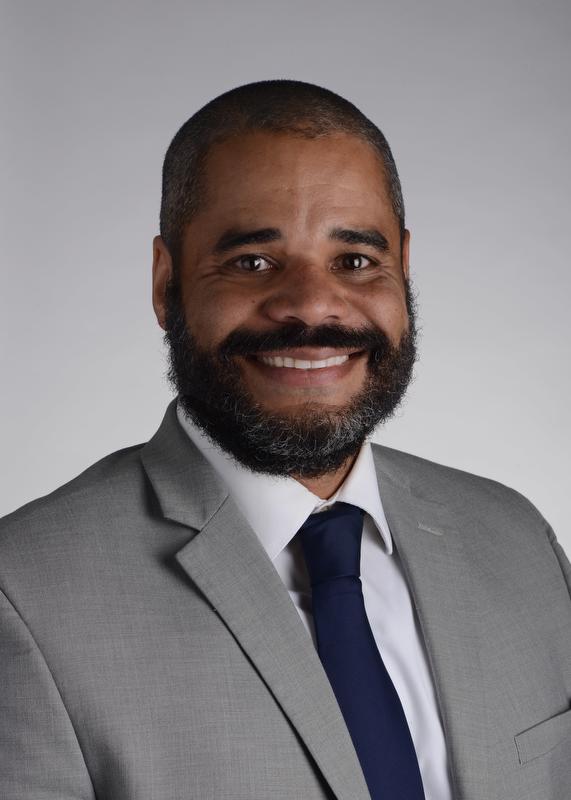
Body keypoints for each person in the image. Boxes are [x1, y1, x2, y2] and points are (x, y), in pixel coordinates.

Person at [0, 80, 569, 800]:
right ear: (165, 284)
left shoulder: (516, 541)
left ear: (403, 267)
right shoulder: (20, 595)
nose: (311, 304)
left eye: (356, 260)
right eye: (252, 262)